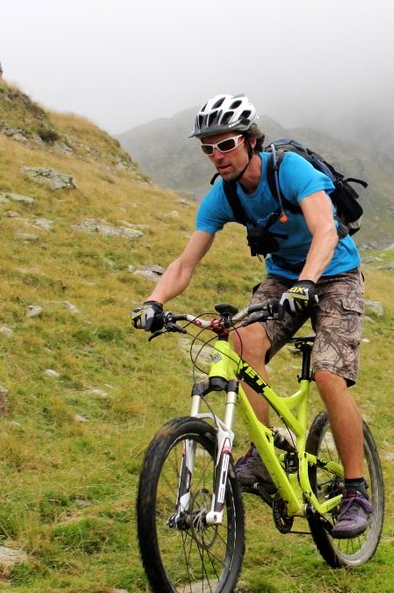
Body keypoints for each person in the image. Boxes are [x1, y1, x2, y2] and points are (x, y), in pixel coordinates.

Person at [131, 94, 372, 539]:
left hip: (335, 273)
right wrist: (153, 302)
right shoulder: (221, 196)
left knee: (327, 374)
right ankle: (263, 454)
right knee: (241, 344)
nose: (215, 155)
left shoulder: (291, 171)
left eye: (224, 145)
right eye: (207, 148)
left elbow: (324, 230)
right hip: (282, 279)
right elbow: (186, 263)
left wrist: (307, 284)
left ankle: (356, 491)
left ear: (250, 141)